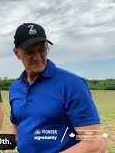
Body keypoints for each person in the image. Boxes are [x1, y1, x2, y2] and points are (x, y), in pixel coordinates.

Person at [9, 23, 105, 152]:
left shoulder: (72, 84)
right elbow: (18, 130)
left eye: (42, 50)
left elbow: (94, 144)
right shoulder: (15, 88)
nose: (37, 57)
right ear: (17, 53)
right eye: (30, 52)